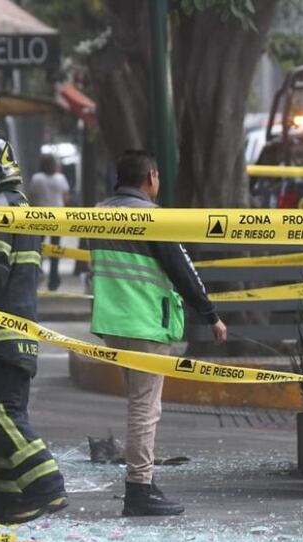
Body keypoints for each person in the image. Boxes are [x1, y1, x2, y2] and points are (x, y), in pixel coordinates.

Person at [90, 150, 227, 516]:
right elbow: (181, 269)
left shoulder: (98, 213)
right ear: (150, 177)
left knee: (140, 403)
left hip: (113, 324)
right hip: (146, 323)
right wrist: (210, 314)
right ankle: (140, 489)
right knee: (144, 408)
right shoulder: (152, 217)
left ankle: (145, 481)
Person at [0, 135, 68, 524]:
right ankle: (8, 501)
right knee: (7, 414)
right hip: (22, 333)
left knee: (0, 413)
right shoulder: (24, 207)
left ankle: (47, 486)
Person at [28, 153, 71, 291]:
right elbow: (66, 197)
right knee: (55, 249)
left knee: (37, 248)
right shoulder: (61, 178)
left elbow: (31, 197)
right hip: (57, 217)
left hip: (40, 216)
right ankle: (54, 279)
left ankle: (37, 273)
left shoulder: (36, 178)